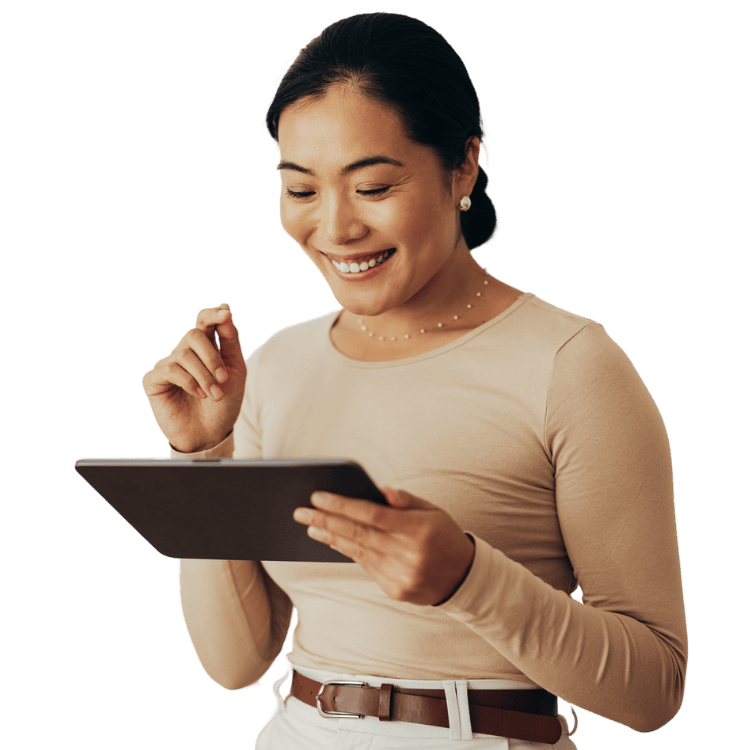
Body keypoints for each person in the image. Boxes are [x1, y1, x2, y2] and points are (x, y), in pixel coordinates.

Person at [141, 12, 687, 749]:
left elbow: (654, 690)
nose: (334, 229)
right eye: (301, 190)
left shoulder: (571, 365)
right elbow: (235, 663)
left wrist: (469, 578)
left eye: (372, 186)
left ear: (463, 166)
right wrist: (203, 462)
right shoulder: (273, 366)